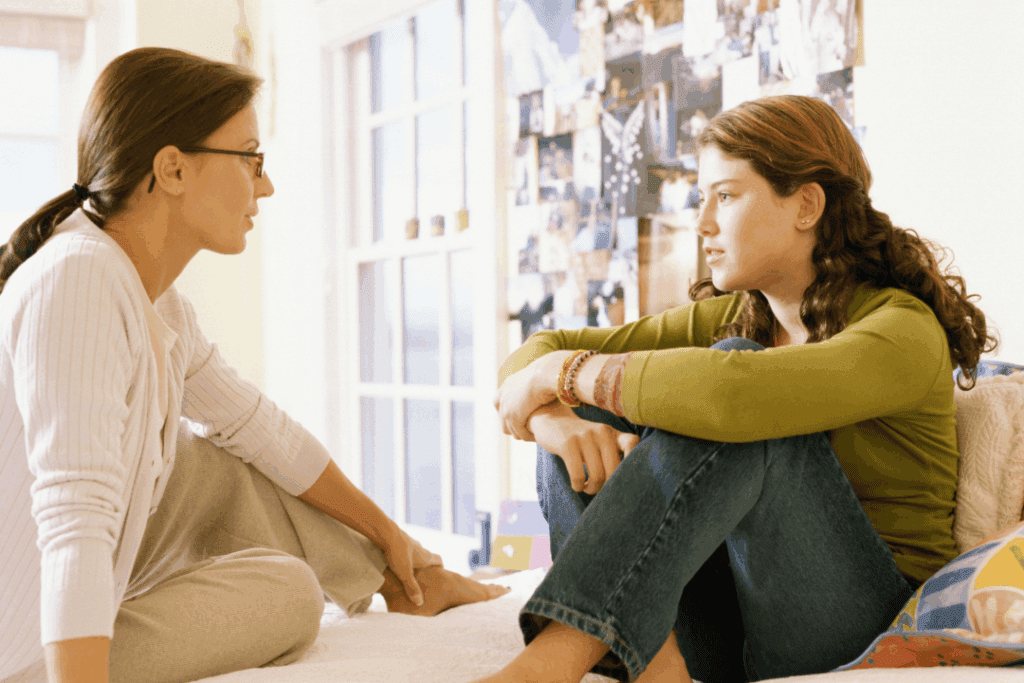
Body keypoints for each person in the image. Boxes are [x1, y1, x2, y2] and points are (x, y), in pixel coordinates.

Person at [0, 47, 506, 683]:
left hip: (84, 572)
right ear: (173, 170)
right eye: (251, 159)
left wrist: (392, 538)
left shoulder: (154, 301)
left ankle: (406, 580)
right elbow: (73, 520)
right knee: (289, 592)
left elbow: (261, 429)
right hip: (26, 653)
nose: (265, 185)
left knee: (213, 464)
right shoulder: (79, 279)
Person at [482, 94, 996, 683]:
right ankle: (654, 664)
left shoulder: (902, 330)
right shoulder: (737, 315)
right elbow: (536, 353)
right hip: (732, 620)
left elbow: (733, 396)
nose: (702, 223)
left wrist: (563, 377)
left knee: (735, 392)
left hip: (860, 624)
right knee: (585, 427)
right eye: (702, 199)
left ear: (806, 204)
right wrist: (559, 418)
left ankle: (555, 657)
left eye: (724, 196)